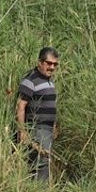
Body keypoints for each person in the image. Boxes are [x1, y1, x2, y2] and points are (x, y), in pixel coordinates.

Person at [17, 47, 59, 182]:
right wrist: (22, 130)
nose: (52, 67)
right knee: (41, 163)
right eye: (48, 63)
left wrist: (53, 125)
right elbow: (20, 105)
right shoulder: (30, 81)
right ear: (39, 62)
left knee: (44, 162)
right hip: (37, 128)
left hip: (46, 130)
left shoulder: (49, 81)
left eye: (55, 64)